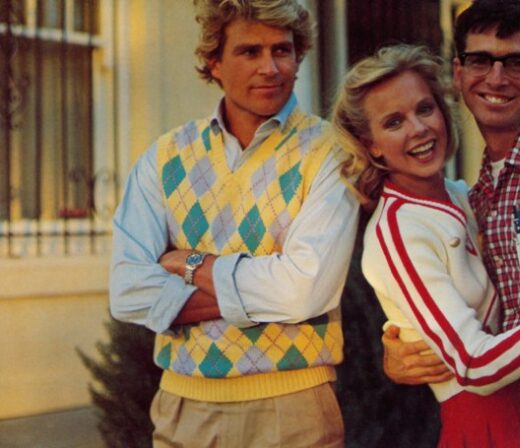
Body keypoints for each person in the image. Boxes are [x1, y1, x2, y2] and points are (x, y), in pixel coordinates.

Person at [332, 43, 520, 448]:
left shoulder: (467, 197)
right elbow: (475, 364)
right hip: (486, 421)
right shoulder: (398, 231)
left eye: (425, 109)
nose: (419, 129)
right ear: (370, 142)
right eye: (394, 122)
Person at [109, 1, 358, 446]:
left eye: (282, 50)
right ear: (214, 63)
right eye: (249, 52)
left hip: (293, 407)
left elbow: (304, 291)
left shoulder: (328, 151)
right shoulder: (165, 156)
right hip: (183, 408)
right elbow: (127, 290)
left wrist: (191, 265)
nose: (270, 68)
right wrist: (266, 287)